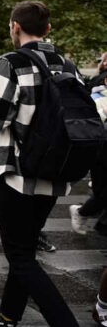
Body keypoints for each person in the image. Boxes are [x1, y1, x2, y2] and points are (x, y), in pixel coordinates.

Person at [0, 0, 79, 326]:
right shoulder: (68, 65)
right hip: (54, 175)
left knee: (20, 257)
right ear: (48, 29)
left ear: (15, 27)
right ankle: (9, 314)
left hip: (18, 175)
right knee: (24, 252)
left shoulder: (10, 63)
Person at [69, 73, 107, 236]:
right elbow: (88, 125)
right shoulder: (96, 99)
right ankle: (81, 212)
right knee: (103, 195)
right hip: (102, 154)